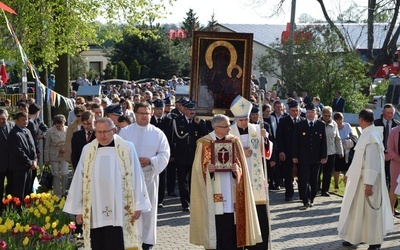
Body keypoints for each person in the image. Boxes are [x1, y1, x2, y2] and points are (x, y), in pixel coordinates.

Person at [63, 117, 151, 250]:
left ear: (114, 130)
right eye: (98, 132)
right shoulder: (88, 150)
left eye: (105, 132)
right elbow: (79, 180)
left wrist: (138, 204)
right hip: (94, 208)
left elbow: (136, 176)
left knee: (118, 242)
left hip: (121, 209)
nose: (102, 135)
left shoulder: (127, 148)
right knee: (98, 243)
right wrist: (78, 209)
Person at [190, 114, 262, 250]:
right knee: (217, 226)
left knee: (231, 225)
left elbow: (242, 168)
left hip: (231, 190)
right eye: (226, 126)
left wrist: (237, 170)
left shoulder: (234, 142)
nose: (230, 128)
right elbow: (197, 172)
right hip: (212, 193)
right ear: (217, 128)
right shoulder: (204, 143)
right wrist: (208, 170)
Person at [338, 109, 394, 250]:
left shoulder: (372, 137)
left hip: (369, 182)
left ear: (361, 119)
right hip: (358, 181)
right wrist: (349, 174)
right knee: (356, 211)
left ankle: (375, 242)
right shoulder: (367, 134)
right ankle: (354, 237)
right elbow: (358, 159)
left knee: (370, 212)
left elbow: (372, 163)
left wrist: (369, 183)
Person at [119, 102, 170, 250]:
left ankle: (147, 242)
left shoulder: (157, 133)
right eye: (141, 113)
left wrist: (151, 161)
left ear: (151, 113)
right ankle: (130, 240)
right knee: (130, 210)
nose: (144, 116)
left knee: (148, 210)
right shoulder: (125, 132)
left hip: (149, 177)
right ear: (135, 114)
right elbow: (118, 152)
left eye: (147, 113)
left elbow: (165, 153)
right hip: (129, 179)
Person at [229, 96, 271, 249]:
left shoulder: (256, 130)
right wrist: (240, 152)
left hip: (256, 181)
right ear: (235, 119)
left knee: (259, 214)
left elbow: (266, 152)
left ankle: (259, 245)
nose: (244, 123)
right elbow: (224, 155)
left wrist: (265, 139)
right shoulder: (230, 133)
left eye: (246, 120)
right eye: (241, 120)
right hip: (237, 181)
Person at [170, 101, 208, 211]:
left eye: (193, 110)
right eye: (190, 110)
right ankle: (185, 204)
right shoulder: (177, 121)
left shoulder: (198, 121)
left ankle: (194, 202)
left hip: (195, 157)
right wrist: (172, 154)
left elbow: (205, 134)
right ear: (184, 110)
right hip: (181, 157)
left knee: (194, 182)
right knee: (182, 183)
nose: (192, 112)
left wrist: (200, 123)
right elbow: (172, 138)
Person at [292, 105, 327, 209]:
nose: (310, 114)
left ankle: (312, 198)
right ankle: (305, 199)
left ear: (316, 113)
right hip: (303, 158)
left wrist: (323, 156)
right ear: (306, 113)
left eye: (312, 112)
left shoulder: (321, 125)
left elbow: (323, 142)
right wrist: (294, 155)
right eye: (308, 112)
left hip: (316, 158)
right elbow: (295, 142)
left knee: (314, 180)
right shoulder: (300, 125)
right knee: (303, 179)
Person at [276, 101, 305, 201]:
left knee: (302, 174)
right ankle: (289, 194)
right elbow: (279, 138)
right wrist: (281, 151)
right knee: (288, 175)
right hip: (287, 152)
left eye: (297, 110)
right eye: (293, 111)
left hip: (300, 153)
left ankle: (302, 194)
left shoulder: (302, 121)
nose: (295, 113)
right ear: (289, 111)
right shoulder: (283, 121)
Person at [8, 112, 37, 202]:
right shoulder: (14, 133)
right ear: (16, 121)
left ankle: (25, 210)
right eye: (23, 120)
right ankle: (18, 212)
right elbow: (18, 152)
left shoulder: (27, 131)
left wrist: (35, 160)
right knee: (19, 192)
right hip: (19, 168)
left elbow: (33, 147)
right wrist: (29, 162)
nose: (25, 122)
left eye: (26, 119)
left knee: (27, 191)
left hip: (30, 166)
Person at [149, 99, 172, 208]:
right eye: (157, 108)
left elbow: (171, 138)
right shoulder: (150, 121)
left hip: (162, 152)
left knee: (162, 176)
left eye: (161, 108)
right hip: (150, 152)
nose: (159, 111)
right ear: (154, 110)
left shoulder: (169, 121)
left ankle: (160, 200)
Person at [374, 103, 400, 190]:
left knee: (394, 181)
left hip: (393, 157)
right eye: (388, 113)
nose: (390, 115)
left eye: (391, 113)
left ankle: (392, 202)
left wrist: (390, 154)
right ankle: (381, 201)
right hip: (379, 155)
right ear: (383, 112)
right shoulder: (375, 123)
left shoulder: (397, 125)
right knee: (381, 180)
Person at [318, 106, 343, 196]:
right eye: (325, 115)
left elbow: (337, 138)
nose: (327, 117)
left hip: (331, 151)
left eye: (329, 115)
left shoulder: (334, 124)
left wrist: (340, 151)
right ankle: (316, 187)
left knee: (328, 172)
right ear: (322, 114)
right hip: (318, 152)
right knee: (317, 171)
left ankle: (325, 190)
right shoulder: (317, 123)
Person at [43, 115, 68, 198]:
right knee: (56, 174)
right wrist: (46, 159)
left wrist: (66, 148)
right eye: (58, 126)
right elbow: (47, 145)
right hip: (54, 153)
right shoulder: (50, 131)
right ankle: (58, 194)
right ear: (54, 124)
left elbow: (70, 142)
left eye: (61, 126)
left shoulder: (68, 130)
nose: (60, 127)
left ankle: (64, 191)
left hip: (64, 154)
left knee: (65, 173)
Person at [333, 112, 354, 189]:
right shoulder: (333, 127)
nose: (339, 122)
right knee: (337, 168)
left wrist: (350, 140)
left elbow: (352, 135)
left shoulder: (347, 125)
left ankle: (347, 185)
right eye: (337, 120)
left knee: (347, 168)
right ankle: (336, 185)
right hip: (337, 150)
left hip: (347, 150)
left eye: (341, 120)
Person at [0, 109, 14, 212]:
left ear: (7, 117)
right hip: (1, 163)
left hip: (12, 163)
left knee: (11, 187)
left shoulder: (12, 126)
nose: (2, 121)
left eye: (4, 119)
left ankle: (9, 207)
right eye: (0, 119)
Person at [387, 123, 400, 215]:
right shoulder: (394, 131)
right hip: (396, 163)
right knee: (394, 186)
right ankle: (389, 211)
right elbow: (390, 149)